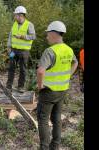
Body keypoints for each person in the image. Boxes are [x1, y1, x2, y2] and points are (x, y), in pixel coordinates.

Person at [36, 21, 78, 150]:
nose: (47, 36)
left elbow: (40, 71)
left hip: (48, 91)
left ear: (54, 33)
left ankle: (44, 147)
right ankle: (55, 146)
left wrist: (40, 85)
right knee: (57, 119)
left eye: (48, 34)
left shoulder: (50, 51)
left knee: (43, 120)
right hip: (62, 90)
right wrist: (68, 76)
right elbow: (75, 63)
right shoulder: (68, 49)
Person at [6, 5, 36, 92]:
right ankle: (8, 86)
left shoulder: (29, 25)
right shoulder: (14, 24)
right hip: (13, 51)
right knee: (11, 67)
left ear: (21, 15)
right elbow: (10, 36)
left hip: (24, 52)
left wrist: (23, 36)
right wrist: (8, 46)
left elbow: (33, 36)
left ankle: (20, 87)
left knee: (23, 69)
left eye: (16, 15)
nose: (14, 16)